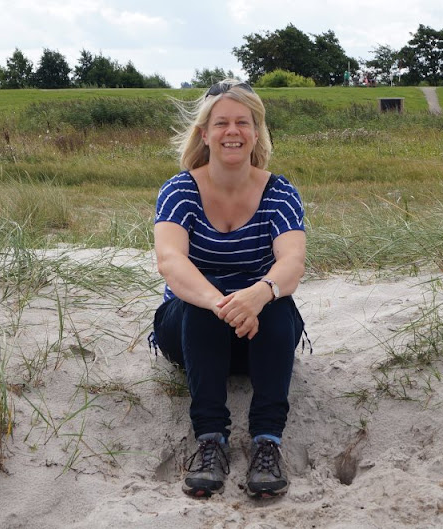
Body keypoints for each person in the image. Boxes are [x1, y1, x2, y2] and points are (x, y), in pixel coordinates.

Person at [152, 79, 307, 499]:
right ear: (205, 133)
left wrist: (259, 294)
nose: (232, 131)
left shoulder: (279, 192)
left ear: (257, 132)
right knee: (201, 301)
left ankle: (267, 442)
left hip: (259, 338)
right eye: (221, 123)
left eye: (243, 122)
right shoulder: (180, 189)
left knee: (276, 301)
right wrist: (221, 303)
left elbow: (291, 262)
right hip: (189, 333)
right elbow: (170, 261)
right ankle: (210, 440)